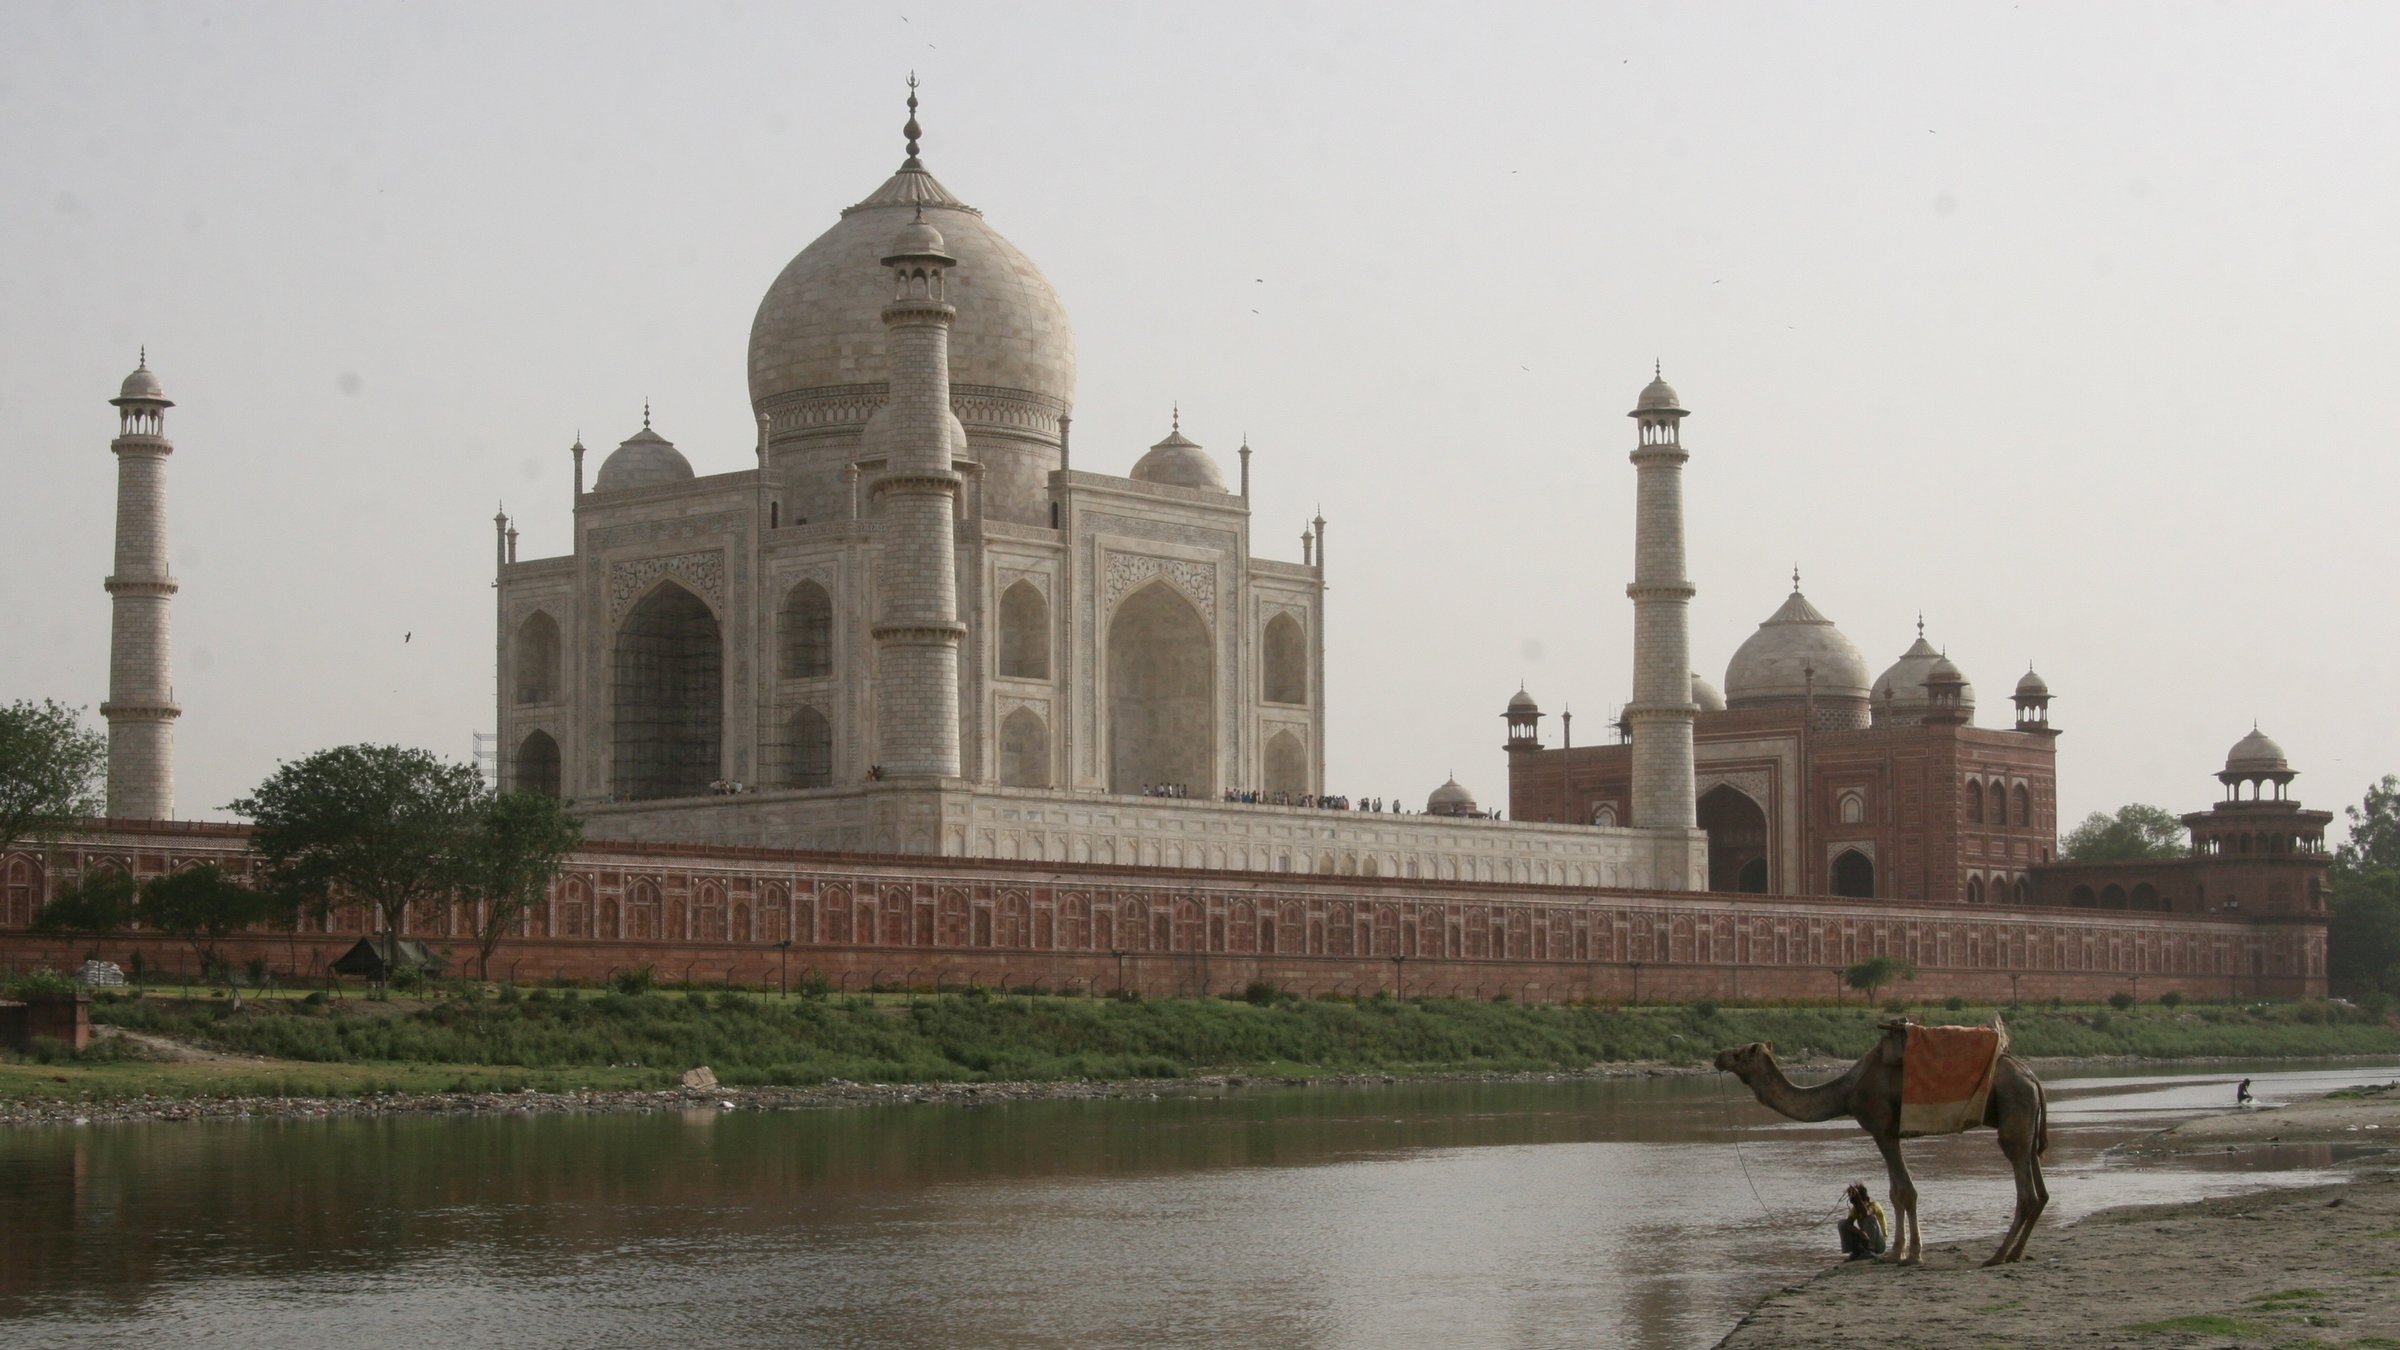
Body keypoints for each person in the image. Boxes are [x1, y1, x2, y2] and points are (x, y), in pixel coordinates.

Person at [1837, 1182, 1888, 1261]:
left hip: (1879, 1244)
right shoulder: (1856, 1209)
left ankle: (1871, 1250)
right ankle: (1856, 1251)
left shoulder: (1874, 1205)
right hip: (1865, 1240)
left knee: (1870, 1218)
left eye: (1859, 1203)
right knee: (1842, 1223)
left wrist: (1858, 1198)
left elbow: (1866, 1213)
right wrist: (1859, 1232)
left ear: (1867, 1199)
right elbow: (1848, 1223)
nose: (1857, 1207)